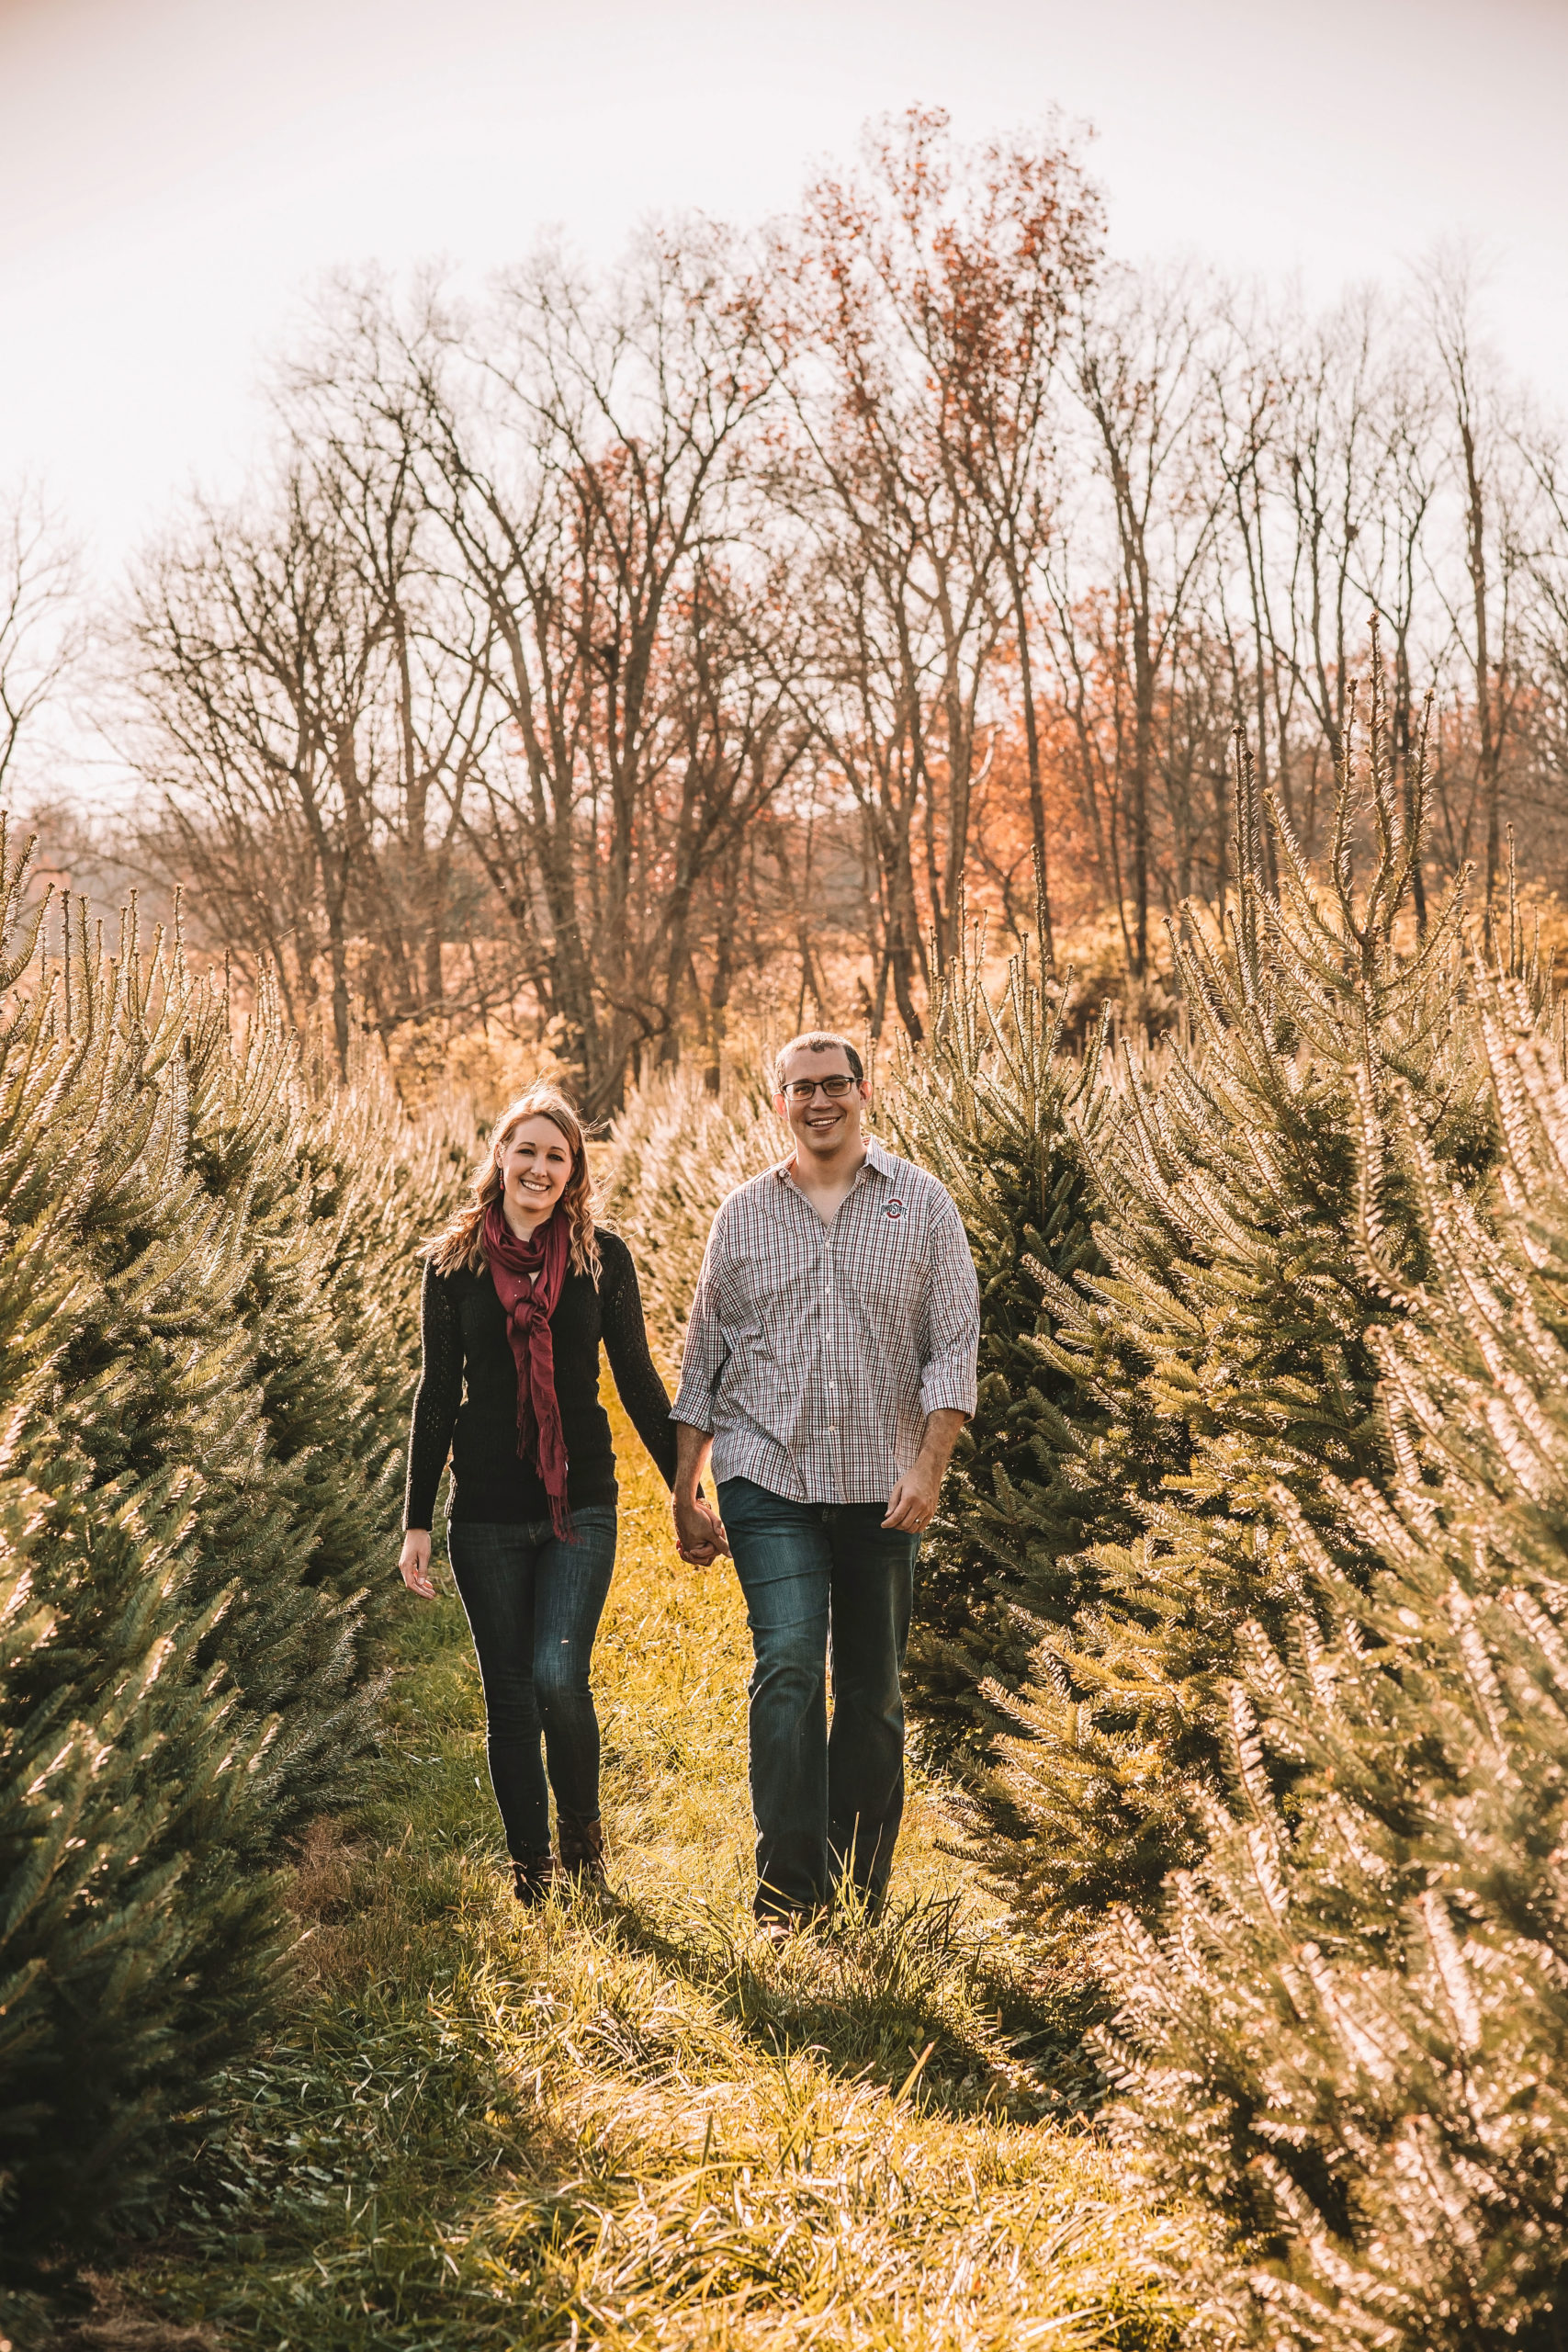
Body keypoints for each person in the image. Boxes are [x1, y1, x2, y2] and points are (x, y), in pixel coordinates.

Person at [671, 1030, 980, 1932]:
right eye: (799, 1088)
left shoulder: (922, 1206)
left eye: (833, 1083)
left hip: (885, 1486)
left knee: (875, 1696)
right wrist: (685, 1487)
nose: (819, 1100)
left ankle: (858, 1888)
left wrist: (929, 1467)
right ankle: (788, 1894)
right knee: (792, 1665)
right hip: (768, 1476)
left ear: (863, 1090)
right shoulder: (743, 1214)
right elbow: (703, 1363)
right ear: (779, 1104)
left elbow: (954, 1350)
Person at [399, 1085, 676, 1904]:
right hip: (483, 1510)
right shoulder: (453, 1264)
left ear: (574, 1171)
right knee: (509, 1695)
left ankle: (582, 1839)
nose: (540, 1167)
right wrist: (417, 1519)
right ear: (500, 1158)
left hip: (578, 1502)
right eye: (527, 1150)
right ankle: (531, 1870)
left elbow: (636, 1379)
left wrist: (685, 1492)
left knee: (558, 1674)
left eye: (557, 1155)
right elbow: (436, 1393)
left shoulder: (601, 1259)